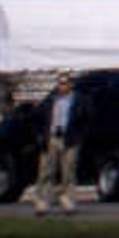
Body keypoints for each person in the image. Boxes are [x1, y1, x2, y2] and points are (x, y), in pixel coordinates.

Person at [29, 75, 81, 215]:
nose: (61, 86)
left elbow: (85, 118)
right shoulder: (50, 100)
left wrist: (78, 134)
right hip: (51, 138)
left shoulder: (78, 100)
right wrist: (40, 136)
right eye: (59, 83)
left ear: (70, 84)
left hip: (69, 139)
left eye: (64, 83)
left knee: (68, 171)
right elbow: (36, 117)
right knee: (46, 171)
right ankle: (43, 202)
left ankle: (68, 202)